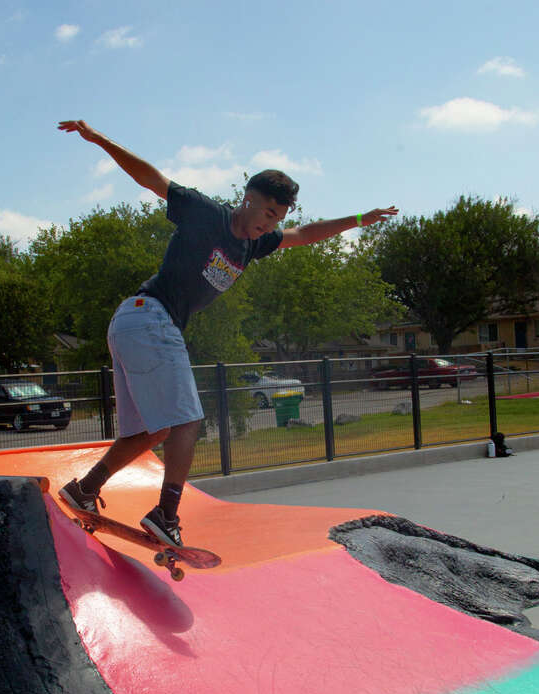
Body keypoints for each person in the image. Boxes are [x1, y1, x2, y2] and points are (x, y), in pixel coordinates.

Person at [57, 119, 397, 547]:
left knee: (149, 432)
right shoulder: (206, 214)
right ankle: (166, 514)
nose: (270, 225)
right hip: (150, 318)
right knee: (187, 420)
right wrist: (98, 139)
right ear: (248, 200)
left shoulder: (254, 245)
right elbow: (151, 179)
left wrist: (360, 218)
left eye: (278, 218)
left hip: (135, 322)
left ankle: (85, 489)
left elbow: (306, 234)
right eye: (268, 214)